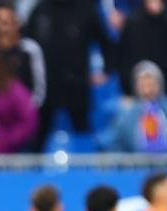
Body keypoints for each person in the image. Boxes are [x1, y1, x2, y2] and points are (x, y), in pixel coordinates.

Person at [25, 0, 114, 147]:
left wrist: (106, 71)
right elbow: (27, 44)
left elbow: (106, 42)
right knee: (38, 135)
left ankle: (88, 168)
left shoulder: (87, 9)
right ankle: (34, 168)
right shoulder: (41, 9)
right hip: (46, 87)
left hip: (77, 85)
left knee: (83, 131)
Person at [102, 61, 167, 154]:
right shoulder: (126, 115)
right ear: (136, 87)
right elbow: (114, 145)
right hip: (137, 168)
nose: (147, 90)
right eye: (143, 86)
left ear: (160, 85)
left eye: (151, 85)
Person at [0, 2, 45, 110]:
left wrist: (28, 110)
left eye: (6, 22)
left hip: (23, 113)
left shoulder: (30, 50)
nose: (2, 27)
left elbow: (38, 88)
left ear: (17, 24)